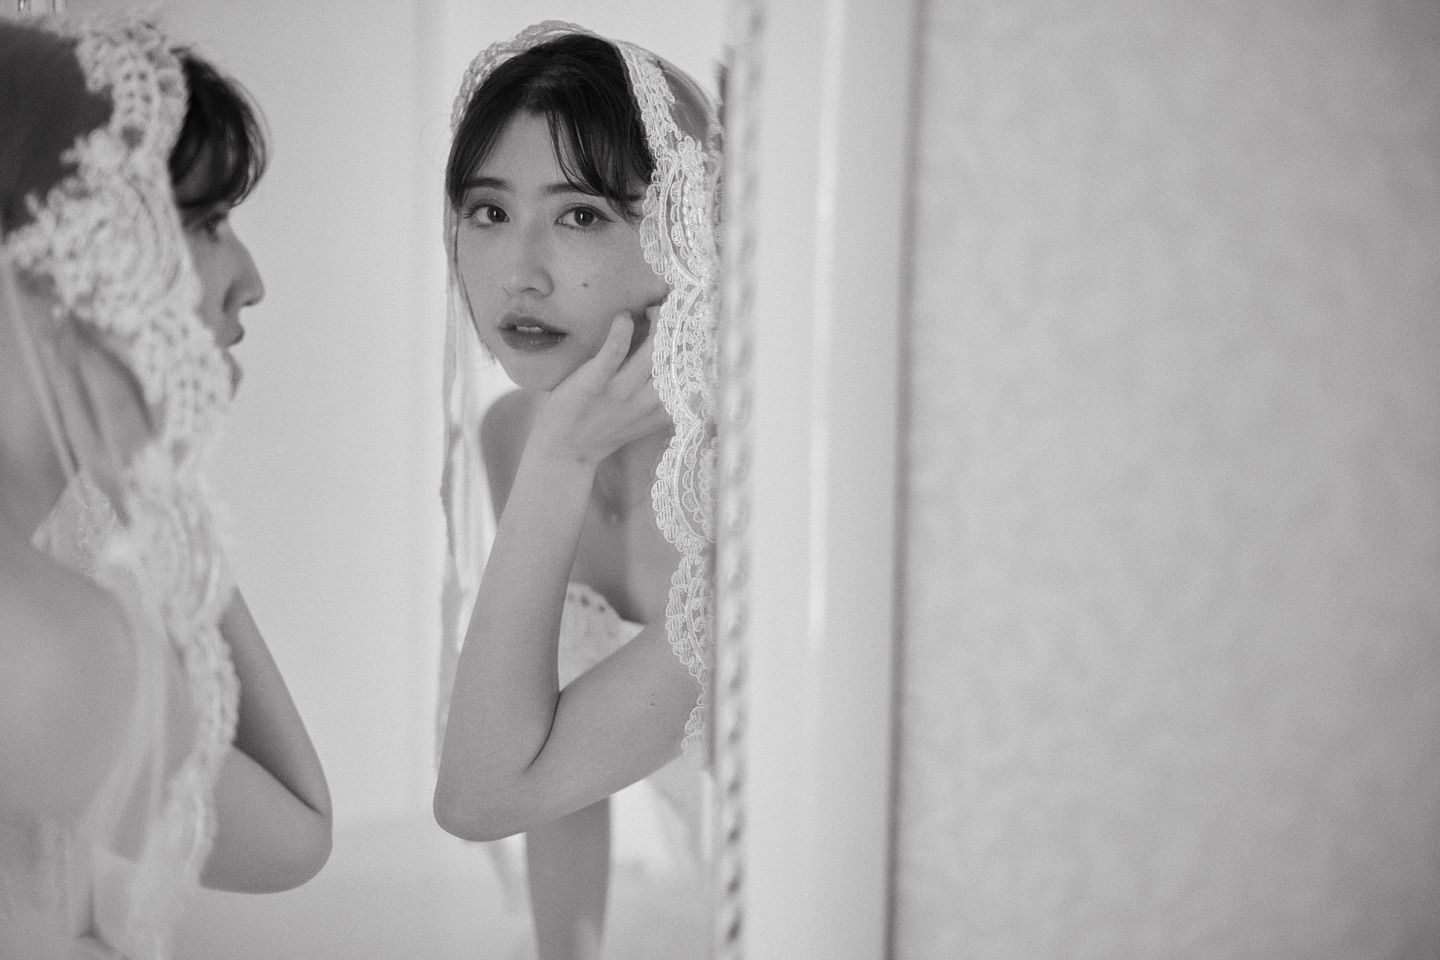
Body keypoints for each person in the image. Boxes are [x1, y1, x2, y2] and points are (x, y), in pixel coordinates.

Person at [0, 16, 328, 959]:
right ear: (64, 263)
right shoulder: (51, 643)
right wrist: (163, 499)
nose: (249, 281)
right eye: (206, 222)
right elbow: (296, 831)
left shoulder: (47, 556)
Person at [432, 22, 719, 960]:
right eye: (488, 210)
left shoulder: (748, 482)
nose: (519, 273)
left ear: (687, 230)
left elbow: (479, 797)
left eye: (581, 215)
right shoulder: (521, 435)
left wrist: (562, 461)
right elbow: (540, 764)